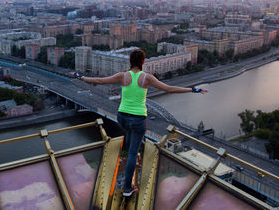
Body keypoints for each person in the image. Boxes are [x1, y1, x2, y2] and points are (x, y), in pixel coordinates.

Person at [73, 49, 207, 197]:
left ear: (130, 61)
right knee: (132, 153)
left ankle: (129, 153)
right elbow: (169, 89)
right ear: (143, 62)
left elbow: (99, 81)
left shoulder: (123, 76)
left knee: (129, 137)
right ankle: (127, 189)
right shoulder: (147, 78)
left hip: (122, 117)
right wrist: (192, 90)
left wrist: (81, 77)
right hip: (138, 119)